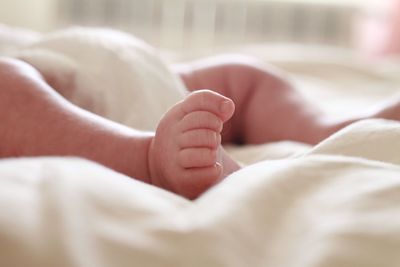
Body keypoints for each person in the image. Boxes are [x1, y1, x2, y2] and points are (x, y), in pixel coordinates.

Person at [0, 54, 399, 200]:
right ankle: (146, 158)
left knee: (243, 77)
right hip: (66, 97)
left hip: (138, 76)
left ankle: (329, 128)